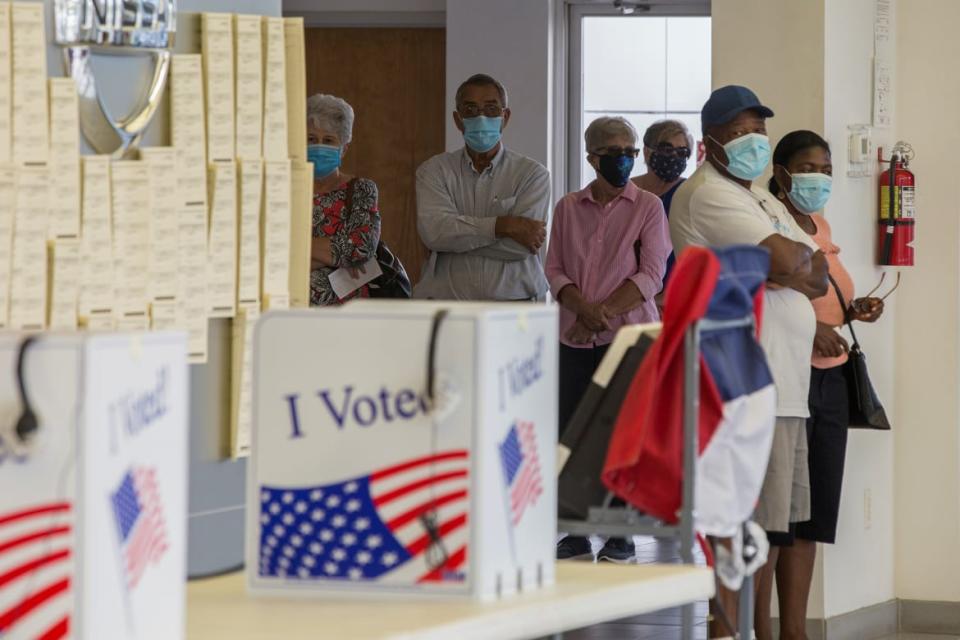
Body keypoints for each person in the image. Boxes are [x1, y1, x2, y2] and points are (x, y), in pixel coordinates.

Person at [668, 85, 829, 639]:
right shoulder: (711, 194)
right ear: (709, 143)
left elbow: (817, 274)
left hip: (781, 384)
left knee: (768, 533)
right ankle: (727, 633)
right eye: (739, 133)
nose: (753, 142)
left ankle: (754, 633)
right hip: (739, 381)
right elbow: (791, 259)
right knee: (740, 531)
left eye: (758, 131)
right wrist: (789, 267)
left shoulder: (761, 197)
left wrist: (791, 269)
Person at [767, 131, 886, 639]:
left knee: (811, 514)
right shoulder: (763, 222)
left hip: (830, 382)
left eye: (826, 168)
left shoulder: (820, 224)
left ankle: (796, 631)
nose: (819, 178)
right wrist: (809, 327)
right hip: (782, 380)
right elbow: (759, 293)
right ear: (782, 171)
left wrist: (851, 312)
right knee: (775, 515)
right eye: (808, 167)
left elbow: (825, 290)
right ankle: (756, 628)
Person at [546, 116, 671, 563]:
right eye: (613, 152)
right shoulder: (567, 207)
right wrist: (585, 311)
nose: (623, 160)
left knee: (622, 435)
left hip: (628, 339)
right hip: (573, 338)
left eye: (629, 152)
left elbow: (651, 274)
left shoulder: (648, 207)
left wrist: (598, 315)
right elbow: (554, 268)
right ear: (591, 157)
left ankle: (620, 533)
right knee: (573, 434)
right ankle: (576, 532)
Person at [414, 74, 550, 301]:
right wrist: (503, 225)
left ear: (505, 117)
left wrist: (453, 240)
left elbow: (520, 248)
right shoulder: (433, 171)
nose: (481, 117)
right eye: (471, 110)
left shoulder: (532, 174)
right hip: (447, 305)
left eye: (491, 109)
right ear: (458, 120)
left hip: (516, 306)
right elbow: (434, 234)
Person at [306, 93, 381, 306]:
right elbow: (272, 251)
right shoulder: (285, 190)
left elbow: (359, 248)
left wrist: (297, 249)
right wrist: (333, 255)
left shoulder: (361, 189)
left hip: (348, 314)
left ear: (344, 148)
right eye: (311, 139)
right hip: (293, 312)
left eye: (328, 140)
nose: (319, 146)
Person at [631, 119, 694, 296]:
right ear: (646, 152)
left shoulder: (690, 193)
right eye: (666, 149)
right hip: (626, 294)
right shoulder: (627, 192)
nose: (674, 156)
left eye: (682, 152)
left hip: (675, 295)